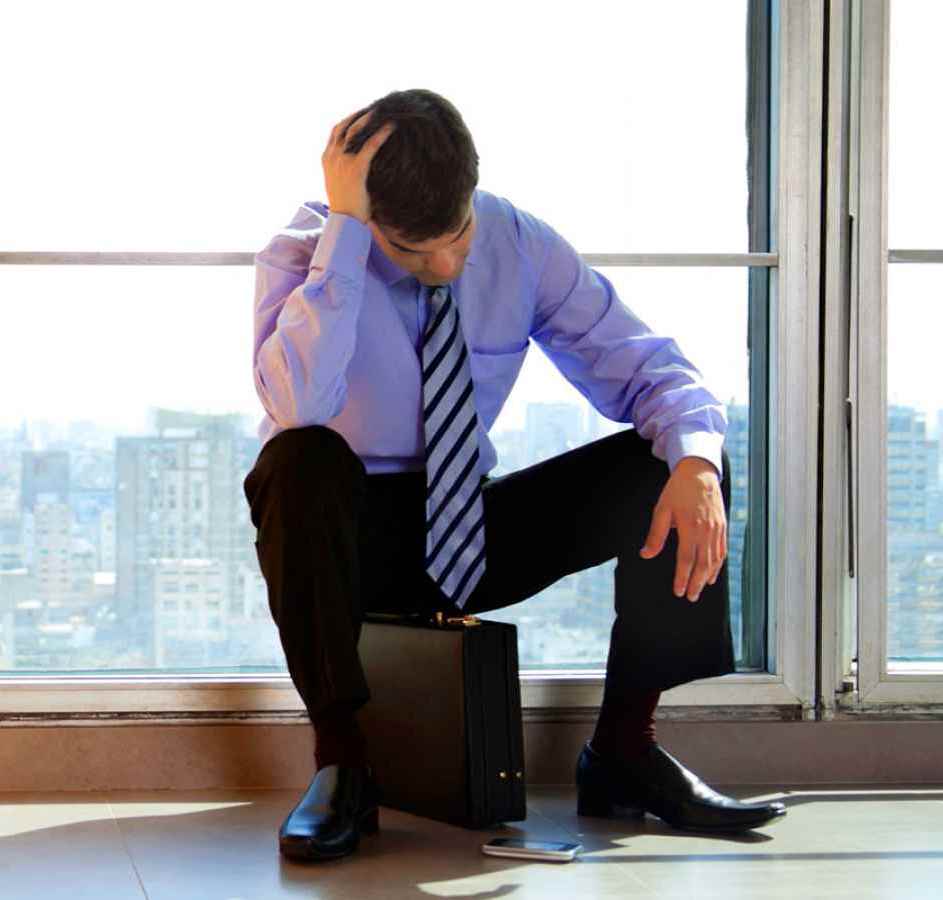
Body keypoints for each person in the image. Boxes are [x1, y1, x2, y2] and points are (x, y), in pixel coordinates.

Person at [243, 88, 786, 863]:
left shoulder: (518, 241)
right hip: (349, 541)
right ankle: (342, 766)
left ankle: (625, 750)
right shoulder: (308, 252)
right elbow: (297, 403)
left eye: (457, 237)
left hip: (468, 526)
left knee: (676, 460)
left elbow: (649, 369)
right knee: (299, 460)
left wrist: (696, 461)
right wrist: (347, 240)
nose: (444, 266)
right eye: (412, 251)